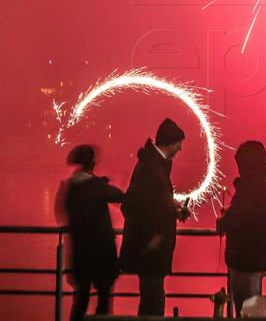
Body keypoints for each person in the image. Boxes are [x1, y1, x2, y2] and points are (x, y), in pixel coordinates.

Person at [119, 118, 190, 316]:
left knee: (151, 299)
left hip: (150, 249)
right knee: (153, 302)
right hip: (151, 250)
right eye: (180, 144)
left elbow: (149, 201)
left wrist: (172, 206)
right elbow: (144, 205)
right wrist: (157, 235)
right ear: (171, 143)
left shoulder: (151, 165)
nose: (181, 149)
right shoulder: (153, 169)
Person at [55, 144, 124, 321]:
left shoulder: (70, 187)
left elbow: (61, 214)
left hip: (79, 254)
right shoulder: (97, 186)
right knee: (103, 300)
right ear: (92, 164)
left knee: (80, 300)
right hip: (102, 254)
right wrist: (102, 182)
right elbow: (119, 195)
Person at [217, 141, 266, 315]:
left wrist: (225, 221)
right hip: (254, 258)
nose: (238, 169)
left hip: (245, 259)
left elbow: (244, 218)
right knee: (250, 309)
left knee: (247, 310)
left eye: (241, 164)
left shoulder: (251, 189)